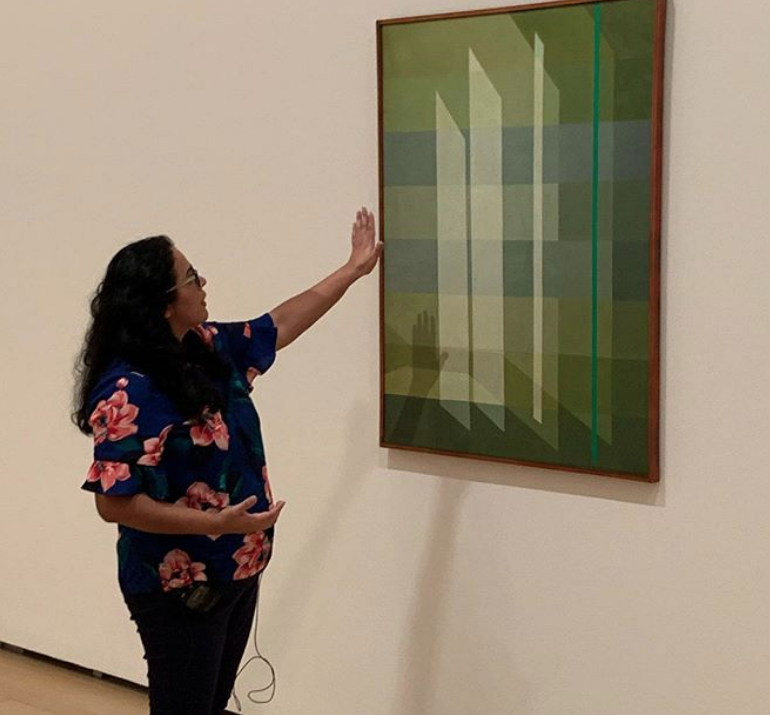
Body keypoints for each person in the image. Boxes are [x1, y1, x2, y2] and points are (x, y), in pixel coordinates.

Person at [73, 207, 381, 715]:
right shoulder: (129, 391)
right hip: (179, 585)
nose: (203, 283)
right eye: (191, 277)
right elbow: (114, 503)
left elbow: (280, 324)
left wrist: (351, 270)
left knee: (209, 705)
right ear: (164, 303)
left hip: (235, 568)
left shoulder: (204, 348)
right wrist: (214, 523)